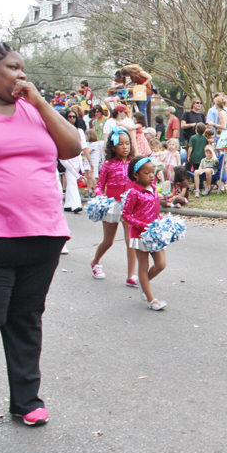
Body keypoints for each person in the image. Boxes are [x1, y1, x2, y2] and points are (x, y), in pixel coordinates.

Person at [0, 39, 82, 426]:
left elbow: (70, 148)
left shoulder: (33, 110)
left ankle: (26, 400)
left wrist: (40, 102)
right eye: (12, 67)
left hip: (44, 232)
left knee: (26, 316)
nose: (22, 75)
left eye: (24, 68)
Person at [91, 128, 138, 286]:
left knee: (130, 239)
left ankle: (131, 275)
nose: (125, 147)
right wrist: (100, 197)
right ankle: (95, 261)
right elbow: (99, 186)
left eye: (127, 144)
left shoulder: (134, 164)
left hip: (129, 205)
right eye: (120, 144)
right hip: (112, 205)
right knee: (108, 241)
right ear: (112, 147)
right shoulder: (108, 164)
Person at [122, 156, 167, 310]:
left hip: (154, 233)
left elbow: (154, 212)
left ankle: (143, 283)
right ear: (136, 175)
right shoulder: (133, 192)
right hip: (139, 234)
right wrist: (141, 225)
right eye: (146, 173)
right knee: (143, 265)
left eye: (152, 172)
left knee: (161, 264)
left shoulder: (153, 188)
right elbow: (125, 215)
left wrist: (161, 220)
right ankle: (151, 299)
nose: (151, 175)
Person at [60, 108, 87, 213]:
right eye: (69, 117)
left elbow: (83, 147)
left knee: (72, 181)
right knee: (71, 181)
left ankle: (68, 204)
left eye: (74, 117)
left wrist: (85, 162)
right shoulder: (61, 130)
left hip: (77, 158)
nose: (72, 119)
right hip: (66, 158)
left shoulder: (79, 131)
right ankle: (76, 205)